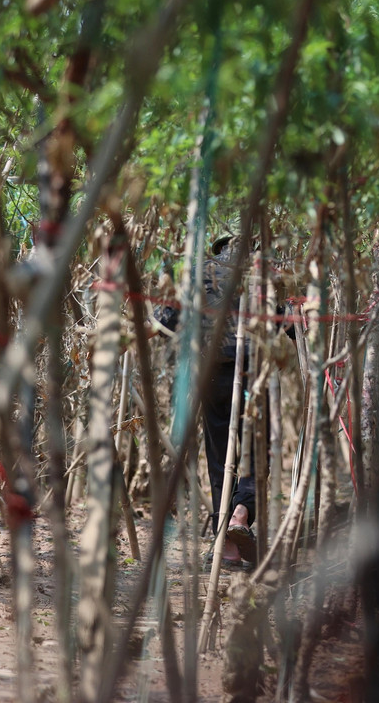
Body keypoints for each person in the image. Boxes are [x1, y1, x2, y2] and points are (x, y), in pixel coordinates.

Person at [156, 235, 257, 570]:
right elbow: (289, 320)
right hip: (254, 371)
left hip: (213, 374)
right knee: (257, 450)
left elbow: (164, 320)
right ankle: (241, 512)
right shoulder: (258, 274)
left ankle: (226, 546)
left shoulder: (198, 272)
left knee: (220, 459)